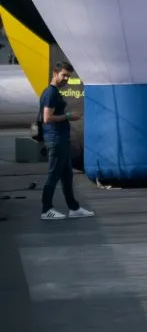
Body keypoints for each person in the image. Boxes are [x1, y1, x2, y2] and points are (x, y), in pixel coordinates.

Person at [38, 63, 90, 220]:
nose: (66, 78)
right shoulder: (51, 93)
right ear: (55, 74)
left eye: (68, 76)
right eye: (64, 75)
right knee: (53, 175)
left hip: (61, 139)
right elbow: (47, 118)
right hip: (56, 139)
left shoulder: (53, 92)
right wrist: (68, 116)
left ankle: (74, 208)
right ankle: (46, 209)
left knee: (67, 175)